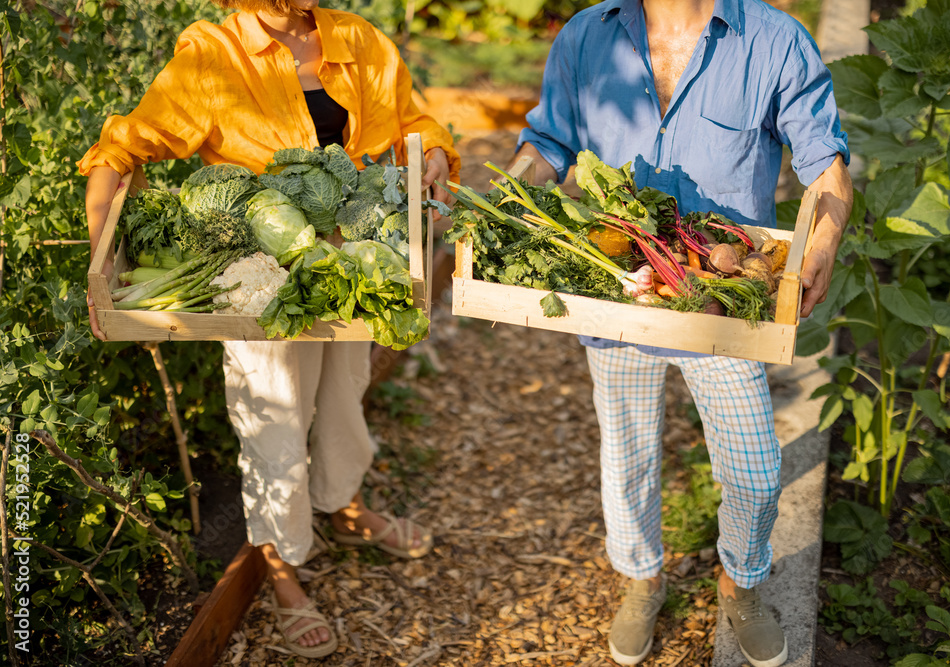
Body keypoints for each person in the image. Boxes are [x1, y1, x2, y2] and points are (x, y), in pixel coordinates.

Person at [79, 0, 460, 658]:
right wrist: (100, 259)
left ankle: (345, 503)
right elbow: (123, 149)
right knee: (274, 414)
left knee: (346, 388)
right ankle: (282, 569)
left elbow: (412, 120)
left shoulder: (354, 38)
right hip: (263, 280)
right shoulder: (213, 55)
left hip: (353, 267)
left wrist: (433, 158)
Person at [513, 0, 852, 665]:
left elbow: (824, 159)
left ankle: (741, 582)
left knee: (754, 471)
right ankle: (642, 578)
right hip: (622, 289)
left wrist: (827, 238)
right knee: (628, 455)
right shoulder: (588, 35)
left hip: (723, 296)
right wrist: (510, 200)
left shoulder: (772, 39)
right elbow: (547, 142)